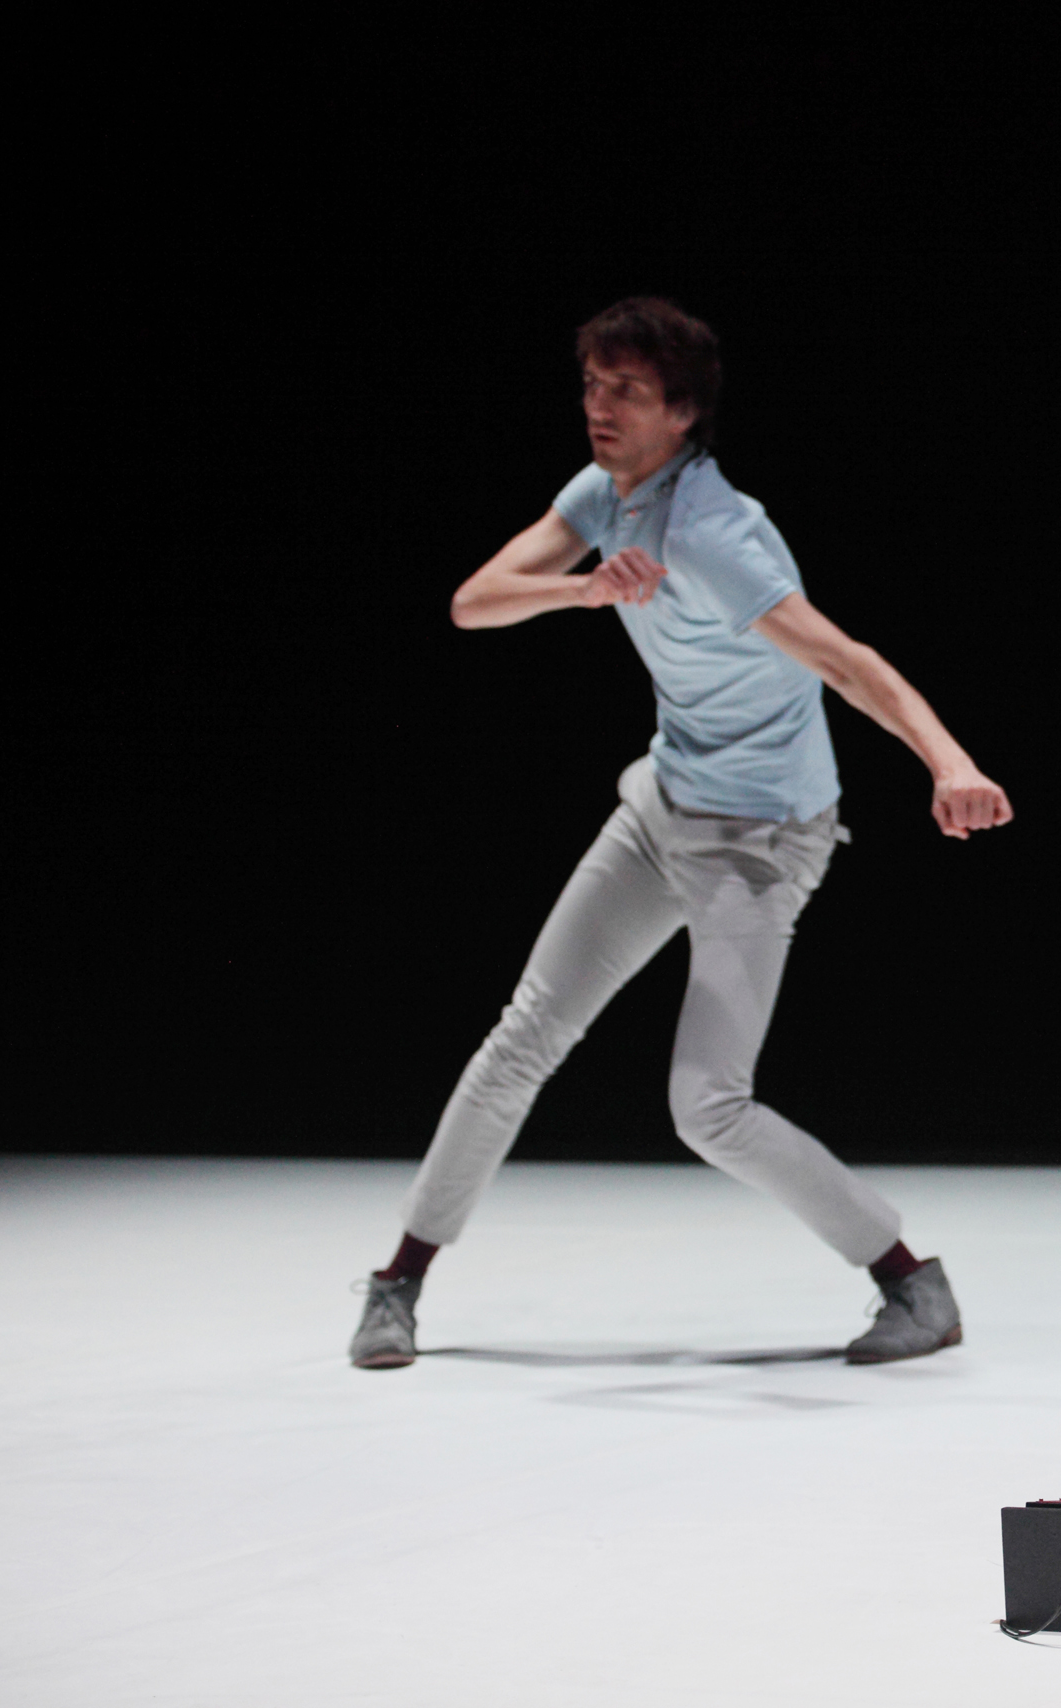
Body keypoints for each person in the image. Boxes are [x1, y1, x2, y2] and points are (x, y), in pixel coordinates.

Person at [349, 298, 1012, 1371]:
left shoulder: (714, 533)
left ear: (684, 413)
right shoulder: (604, 496)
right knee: (523, 1036)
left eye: (628, 391)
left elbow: (847, 662)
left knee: (708, 1106)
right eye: (592, 384)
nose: (599, 406)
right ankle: (399, 1281)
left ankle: (911, 1281)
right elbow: (475, 601)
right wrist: (582, 590)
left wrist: (949, 761)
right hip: (664, 806)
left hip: (761, 839)